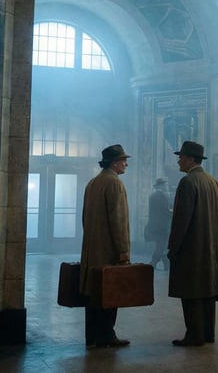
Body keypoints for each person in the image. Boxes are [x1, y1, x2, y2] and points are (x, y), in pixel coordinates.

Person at [167, 141, 218, 347]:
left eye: (181, 157)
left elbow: (181, 220)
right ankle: (208, 333)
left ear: (191, 159)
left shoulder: (188, 182)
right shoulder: (213, 182)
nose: (178, 161)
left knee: (190, 293)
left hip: (191, 249)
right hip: (210, 248)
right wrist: (217, 244)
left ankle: (194, 335)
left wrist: (173, 248)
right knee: (208, 292)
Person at [79, 144, 132, 349]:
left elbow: (84, 218)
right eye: (123, 160)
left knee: (93, 294)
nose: (126, 164)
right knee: (110, 293)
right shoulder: (115, 183)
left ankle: (92, 336)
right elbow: (118, 222)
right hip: (109, 251)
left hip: (92, 250)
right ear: (114, 163)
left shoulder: (93, 183)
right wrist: (123, 251)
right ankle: (107, 336)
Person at [147, 178, 172, 270]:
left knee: (161, 245)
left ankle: (165, 265)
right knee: (162, 246)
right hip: (163, 225)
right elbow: (166, 210)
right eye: (166, 185)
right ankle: (153, 263)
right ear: (161, 185)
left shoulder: (152, 195)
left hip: (154, 225)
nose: (167, 187)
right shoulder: (164, 195)